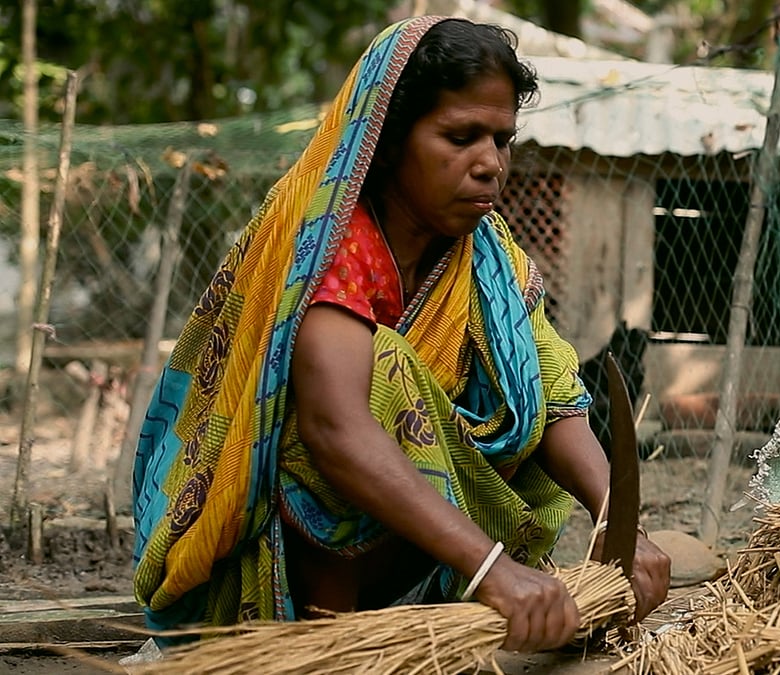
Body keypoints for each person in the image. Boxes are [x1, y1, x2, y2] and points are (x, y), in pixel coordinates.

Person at [131, 16, 670, 653]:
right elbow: (336, 433)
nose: (490, 164)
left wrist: (618, 517)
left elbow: (553, 397)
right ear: (387, 140)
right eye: (460, 137)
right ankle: (330, 646)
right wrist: (493, 567)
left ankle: (423, 621)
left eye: (502, 139)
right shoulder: (330, 247)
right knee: (375, 372)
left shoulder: (487, 257)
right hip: (262, 568)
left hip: (420, 550)